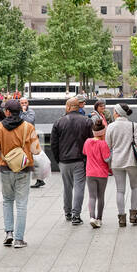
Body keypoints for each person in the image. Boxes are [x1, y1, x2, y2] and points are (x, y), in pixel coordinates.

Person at [0, 98, 35, 247]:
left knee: (7, 200)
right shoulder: (28, 127)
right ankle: (19, 239)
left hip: (5, 167)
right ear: (20, 111)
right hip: (24, 169)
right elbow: (36, 149)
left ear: (7, 112)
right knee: (21, 204)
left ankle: (9, 233)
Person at [52, 96, 93, 225]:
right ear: (78, 106)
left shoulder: (59, 122)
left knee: (67, 187)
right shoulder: (86, 121)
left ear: (68, 107)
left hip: (64, 160)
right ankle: (76, 215)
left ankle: (67, 212)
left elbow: (54, 144)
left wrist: (58, 159)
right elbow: (91, 141)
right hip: (80, 160)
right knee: (79, 187)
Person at [104, 102, 137, 227]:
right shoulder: (133, 125)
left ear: (117, 113)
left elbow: (108, 145)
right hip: (132, 161)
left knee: (120, 190)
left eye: (114, 111)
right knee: (135, 187)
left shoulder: (111, 127)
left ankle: (121, 218)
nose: (113, 113)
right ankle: (133, 215)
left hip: (117, 161)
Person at [82, 119, 111, 227]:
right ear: (103, 133)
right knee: (101, 196)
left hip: (90, 172)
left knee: (92, 196)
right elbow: (106, 159)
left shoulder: (87, 141)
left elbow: (84, 153)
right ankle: (99, 218)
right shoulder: (103, 144)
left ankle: (92, 217)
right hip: (102, 173)